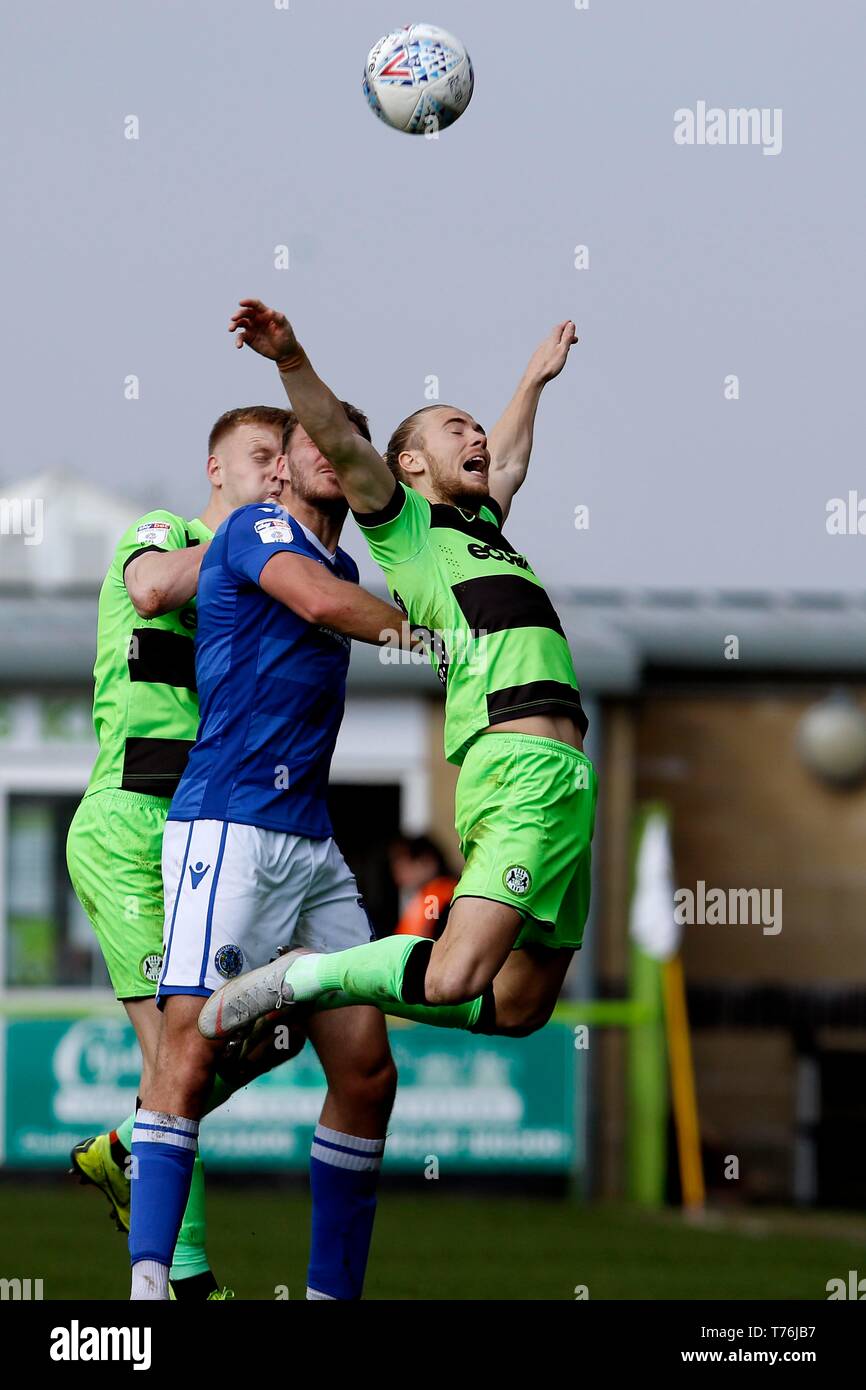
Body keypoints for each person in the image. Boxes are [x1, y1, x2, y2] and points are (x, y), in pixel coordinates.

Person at [200, 298, 598, 1050]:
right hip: (515, 766)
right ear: (409, 463)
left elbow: (507, 457)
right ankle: (308, 975)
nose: (477, 436)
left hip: (573, 780)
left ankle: (326, 984)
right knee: (453, 978)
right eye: (456, 429)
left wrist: (533, 381)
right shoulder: (410, 528)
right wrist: (289, 357)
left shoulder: (482, 525)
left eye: (476, 427)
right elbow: (343, 446)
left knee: (519, 1006)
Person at [127, 402, 414, 1302]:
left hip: (309, 843)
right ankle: (145, 1288)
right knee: (189, 1050)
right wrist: (440, 635)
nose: (334, 452)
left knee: (367, 1073)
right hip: (231, 827)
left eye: (347, 442)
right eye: (315, 441)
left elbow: (347, 588)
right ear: (283, 468)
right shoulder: (259, 527)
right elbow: (323, 605)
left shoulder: (346, 558)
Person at [66, 405, 290, 1298]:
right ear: (215, 467)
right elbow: (155, 590)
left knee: (272, 1030)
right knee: (176, 1055)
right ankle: (183, 1286)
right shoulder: (171, 533)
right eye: (260, 456)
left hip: (206, 838)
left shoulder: (262, 579)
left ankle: (125, 1147)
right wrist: (241, 544)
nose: (276, 472)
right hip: (128, 826)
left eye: (286, 459)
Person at [390, 834, 457, 939]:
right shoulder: (432, 894)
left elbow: (427, 937)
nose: (398, 875)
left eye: (405, 867)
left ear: (427, 862)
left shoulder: (435, 896)